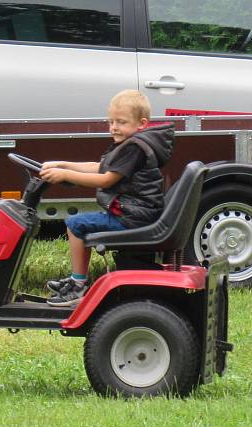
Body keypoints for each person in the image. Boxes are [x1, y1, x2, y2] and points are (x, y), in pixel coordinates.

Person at [39, 90, 174, 306]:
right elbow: (98, 166)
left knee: (75, 225)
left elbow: (106, 180)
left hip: (133, 217)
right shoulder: (130, 145)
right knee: (80, 223)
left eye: (121, 122)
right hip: (137, 213)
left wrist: (65, 175)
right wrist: (62, 164)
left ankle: (78, 284)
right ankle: (78, 282)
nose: (114, 127)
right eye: (111, 121)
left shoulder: (134, 149)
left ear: (142, 123)